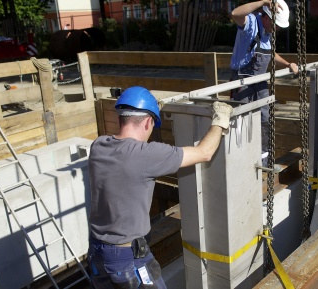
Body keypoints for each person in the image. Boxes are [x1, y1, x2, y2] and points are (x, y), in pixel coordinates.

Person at [87, 86, 233, 288]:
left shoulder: (98, 146)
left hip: (97, 254)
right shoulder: (146, 155)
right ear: (148, 122)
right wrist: (220, 121)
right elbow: (204, 153)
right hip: (128, 259)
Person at [230, 0, 298, 161]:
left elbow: (270, 54)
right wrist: (264, 2)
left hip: (259, 82)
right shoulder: (251, 24)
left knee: (265, 118)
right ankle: (242, 160)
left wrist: (288, 64)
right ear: (266, 17)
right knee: (241, 121)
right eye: (276, 25)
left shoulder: (268, 34)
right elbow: (235, 14)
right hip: (242, 82)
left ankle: (263, 159)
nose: (277, 29)